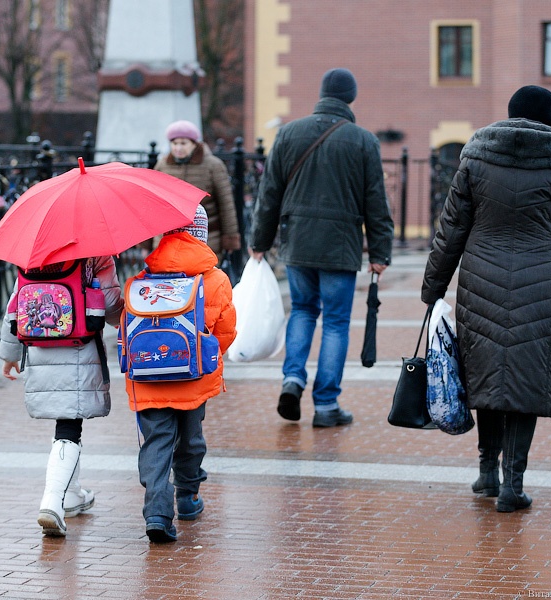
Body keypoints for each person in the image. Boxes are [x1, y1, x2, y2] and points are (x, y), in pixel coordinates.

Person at [421, 85, 551, 513]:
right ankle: (512, 485)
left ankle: (486, 471)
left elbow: (451, 229)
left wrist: (433, 287)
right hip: (540, 287)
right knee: (524, 379)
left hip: (479, 281)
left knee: (484, 371)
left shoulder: (477, 157)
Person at [249, 67, 394, 428]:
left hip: (297, 243)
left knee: (301, 311)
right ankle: (326, 405)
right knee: (335, 322)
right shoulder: (363, 141)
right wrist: (380, 252)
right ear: (351, 97)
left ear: (321, 95)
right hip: (340, 247)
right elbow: (375, 201)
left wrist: (259, 243)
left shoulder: (289, 134)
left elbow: (269, 195)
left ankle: (292, 379)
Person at [124, 205, 237, 543]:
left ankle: (157, 514)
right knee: (190, 439)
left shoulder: (140, 280)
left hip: (146, 379)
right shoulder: (215, 279)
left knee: (157, 444)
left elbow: (124, 330)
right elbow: (226, 332)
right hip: (193, 378)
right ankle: (188, 498)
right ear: (201, 235)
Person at [0, 257, 123, 536]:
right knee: (69, 425)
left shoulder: (34, 253)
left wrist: (8, 354)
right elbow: (111, 305)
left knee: (65, 423)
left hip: (40, 345)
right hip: (79, 346)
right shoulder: (96, 251)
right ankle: (52, 501)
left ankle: (71, 494)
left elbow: (15, 303)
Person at [154, 120, 241, 263]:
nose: (178, 148)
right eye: (175, 143)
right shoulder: (163, 165)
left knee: (202, 280)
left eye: (183, 143)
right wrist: (146, 242)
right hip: (167, 238)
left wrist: (229, 238)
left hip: (205, 237)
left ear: (194, 144)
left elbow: (226, 205)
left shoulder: (213, 165)